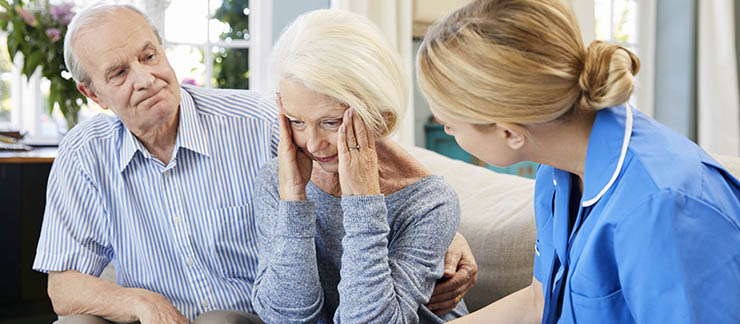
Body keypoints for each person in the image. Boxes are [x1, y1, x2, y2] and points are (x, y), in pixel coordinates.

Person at [32, 3, 476, 324]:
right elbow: (63, 288)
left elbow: (367, 156)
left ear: (163, 50)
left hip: (242, 317)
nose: (146, 78)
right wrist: (141, 303)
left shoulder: (259, 119)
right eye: (119, 73)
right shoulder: (84, 153)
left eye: (149, 56)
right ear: (93, 94)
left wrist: (444, 230)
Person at [415, 0, 740, 323]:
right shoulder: (557, 167)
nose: (445, 128)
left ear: (510, 133)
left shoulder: (663, 206)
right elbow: (539, 302)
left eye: (451, 126)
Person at [250, 9, 469, 324]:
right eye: (297, 122)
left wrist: (363, 201)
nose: (312, 144)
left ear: (377, 114)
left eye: (331, 122)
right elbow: (287, 317)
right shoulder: (278, 181)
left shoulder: (430, 201)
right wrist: (294, 200)